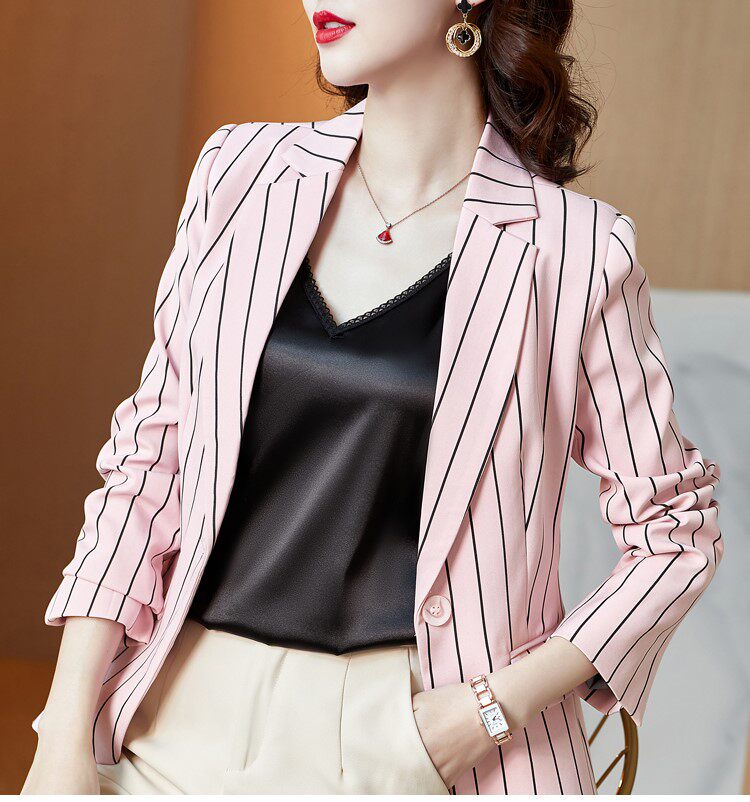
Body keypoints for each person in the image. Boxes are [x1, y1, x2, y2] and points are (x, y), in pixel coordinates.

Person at [23, 0, 723, 794]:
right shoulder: (242, 173)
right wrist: (63, 729)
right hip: (175, 715)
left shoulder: (574, 250)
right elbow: (150, 462)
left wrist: (489, 712)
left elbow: (675, 533)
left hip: (410, 737)